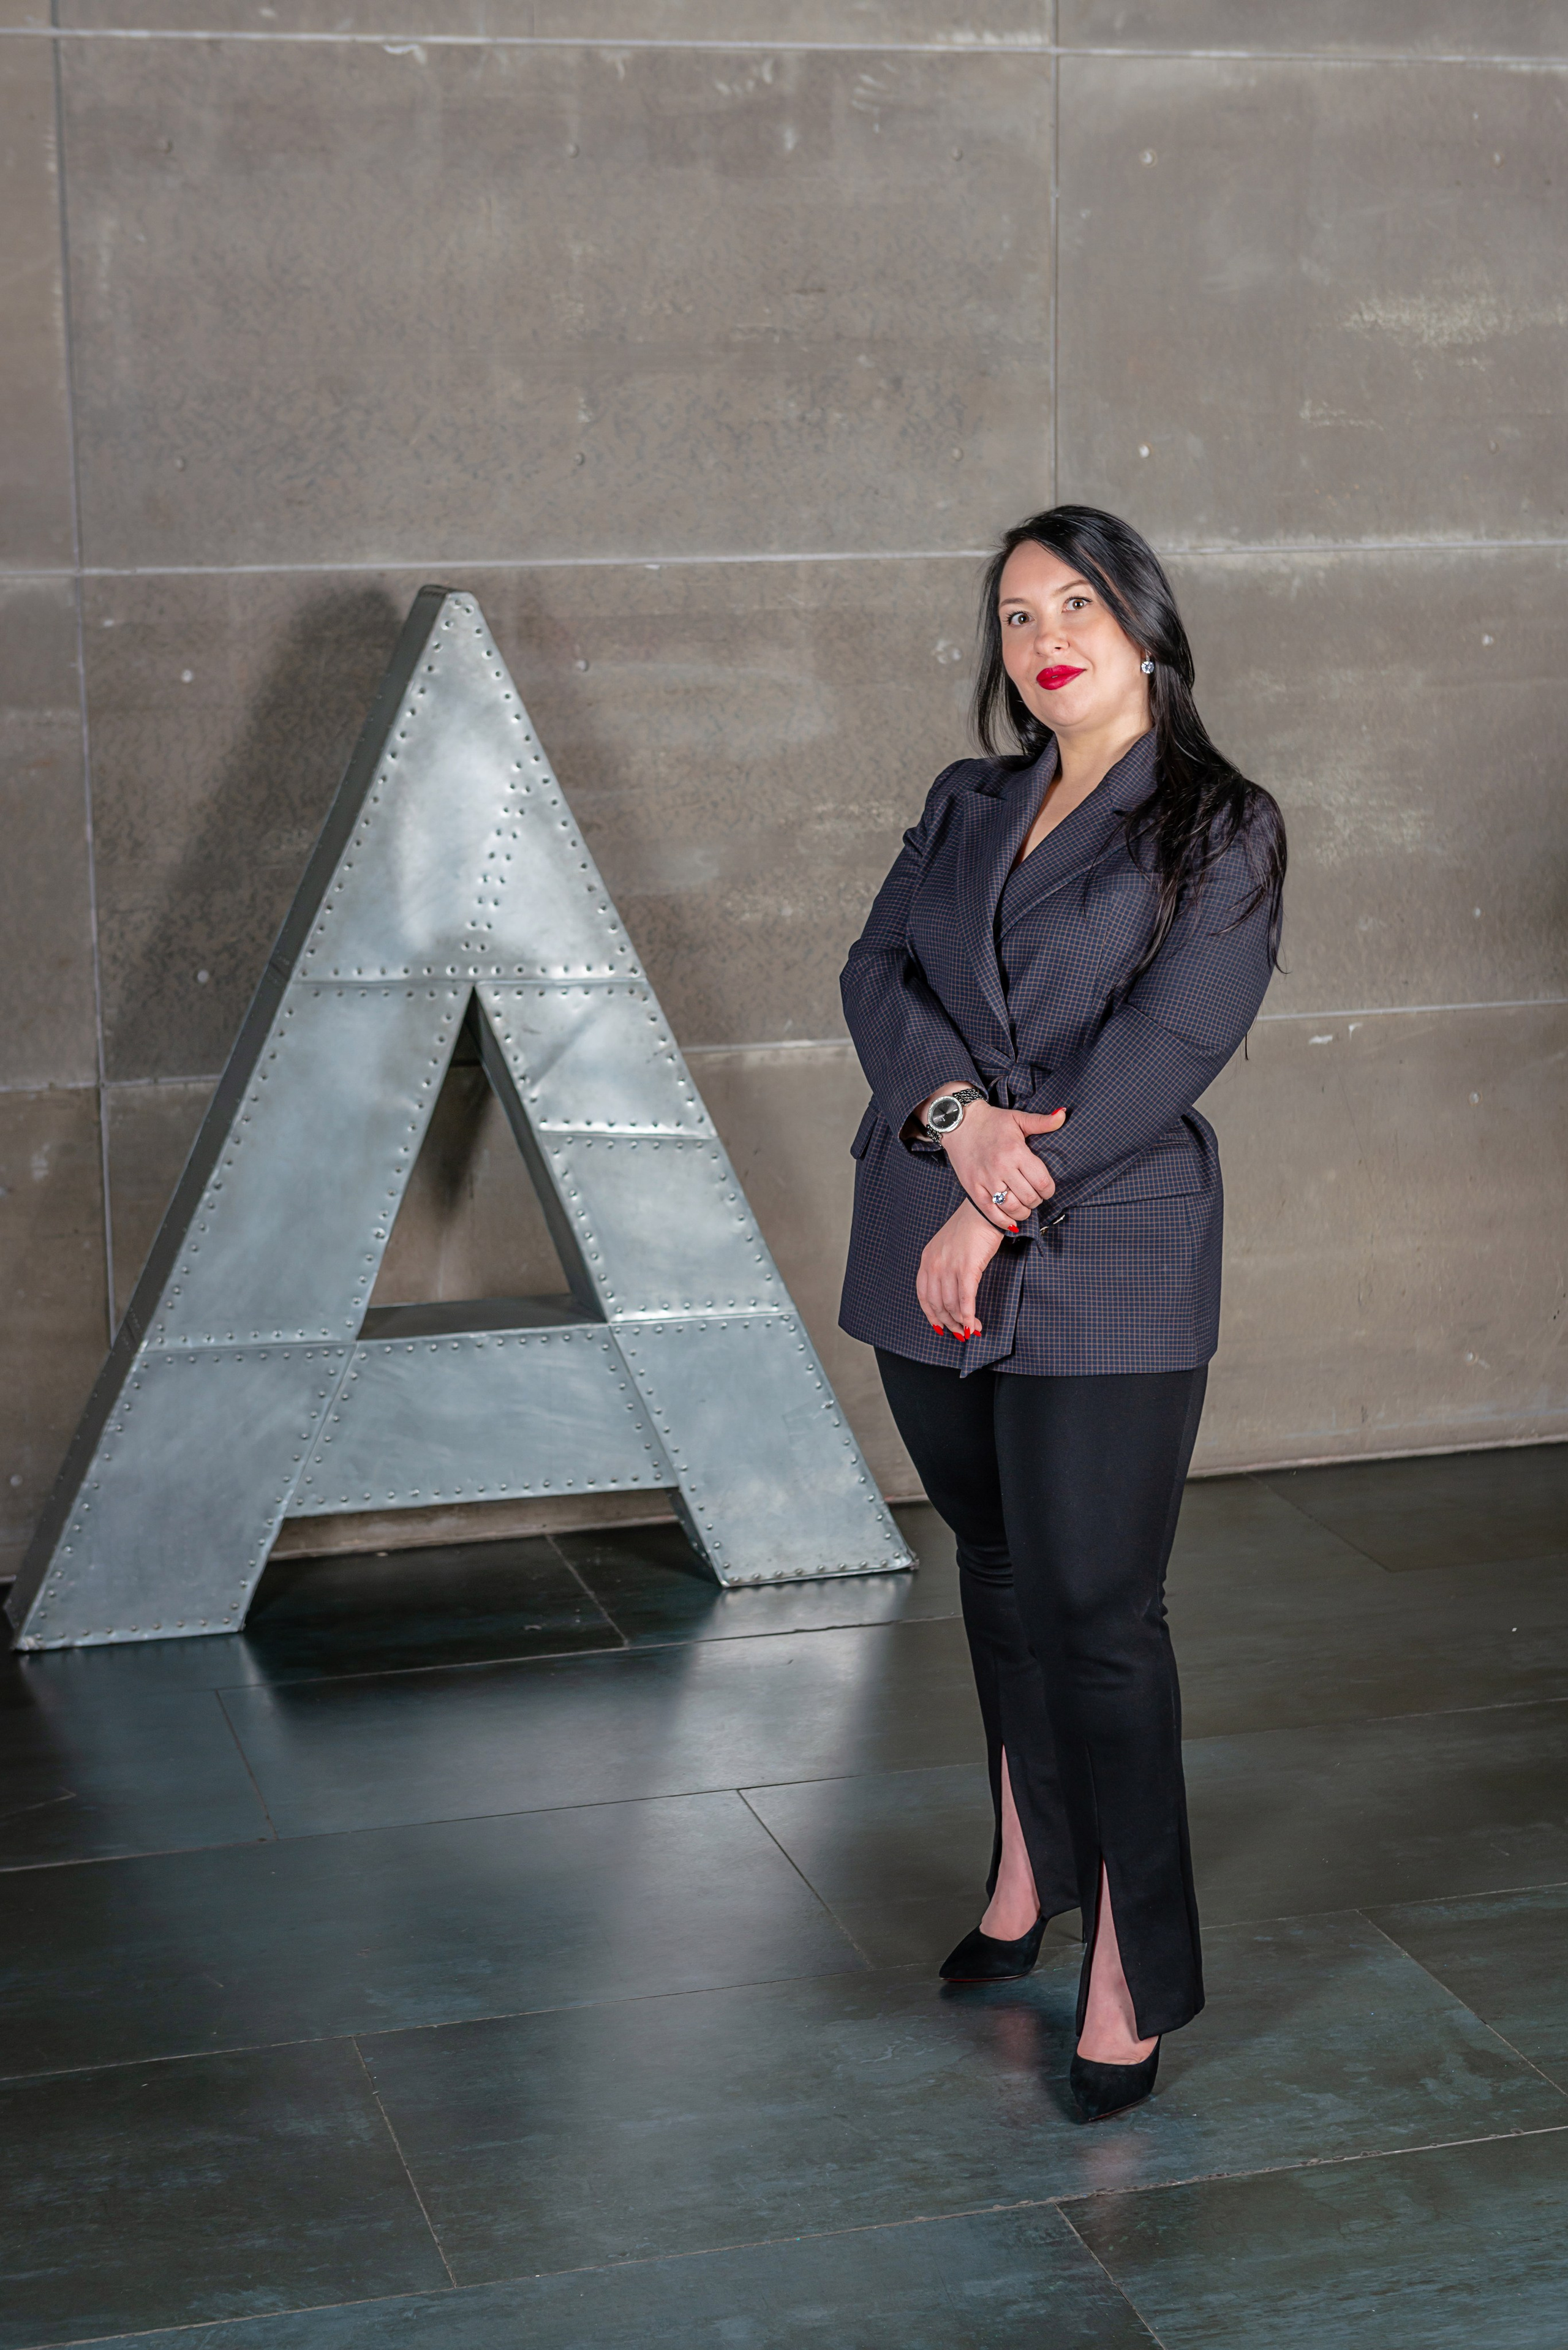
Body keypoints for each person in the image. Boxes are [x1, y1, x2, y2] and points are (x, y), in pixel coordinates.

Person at [839, 505, 1286, 2121]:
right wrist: (952, 1120)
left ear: (1144, 622)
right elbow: (874, 977)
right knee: (1003, 1559)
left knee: (1104, 1612)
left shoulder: (1220, 824)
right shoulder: (967, 801)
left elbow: (1171, 1048)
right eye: (1017, 615)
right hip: (925, 1231)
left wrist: (995, 1189)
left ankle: (1131, 1972)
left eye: (1075, 603)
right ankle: (1026, 1865)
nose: (1045, 639)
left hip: (1107, 1246)